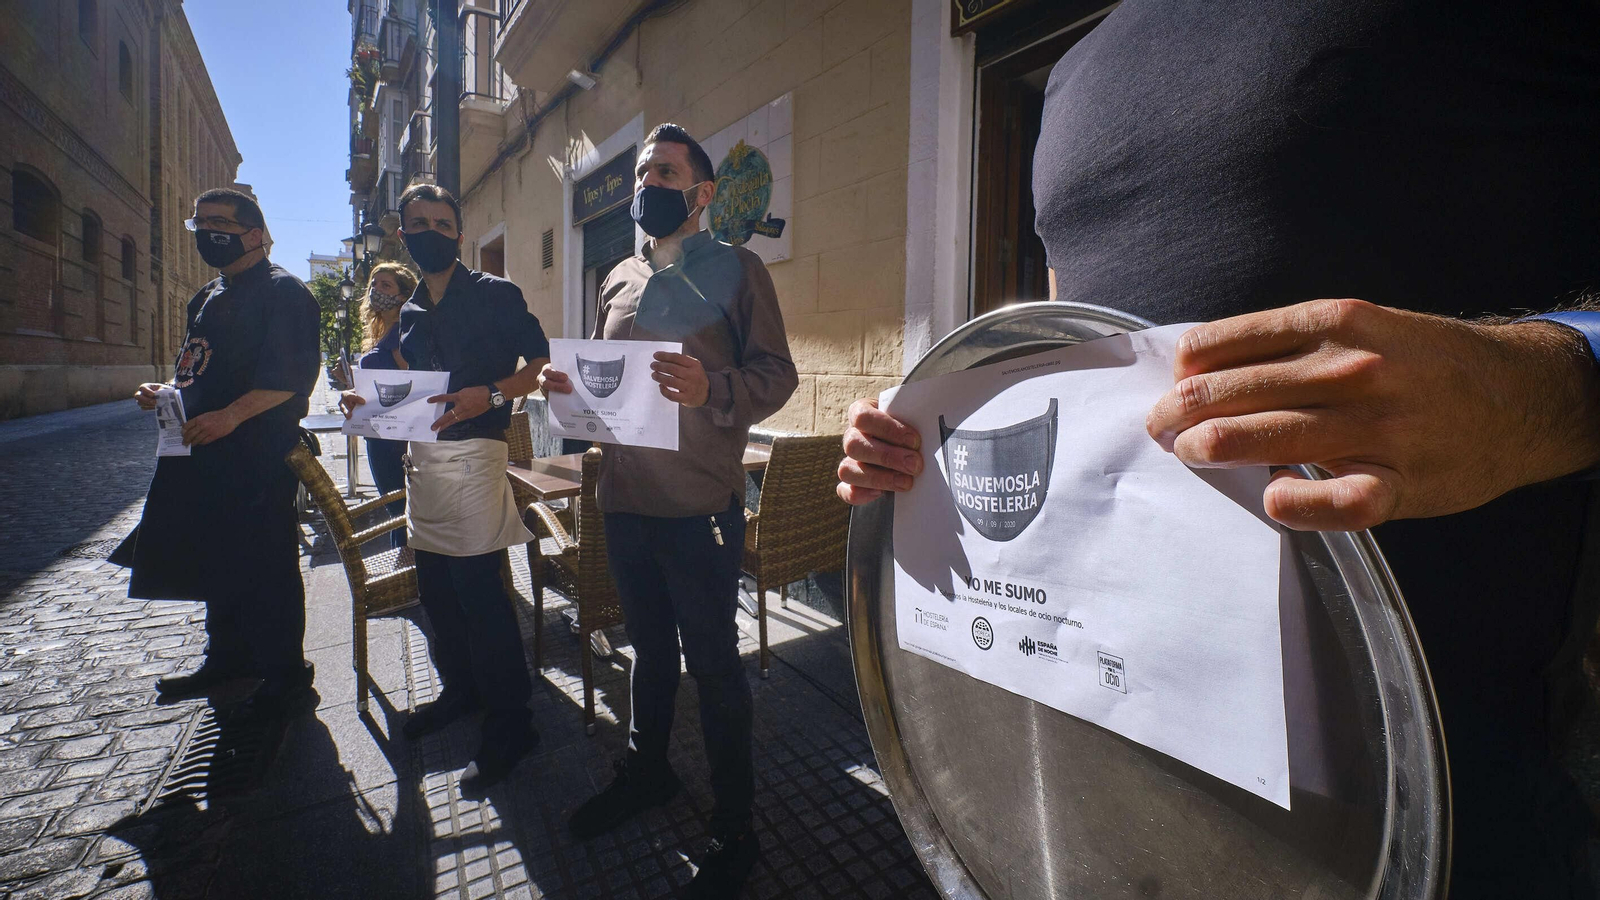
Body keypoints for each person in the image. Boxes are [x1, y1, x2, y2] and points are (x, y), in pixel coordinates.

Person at [838, 4, 1600, 896]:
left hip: (1452, 790)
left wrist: (1542, 389)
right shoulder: (1081, 67)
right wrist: (926, 442)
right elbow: (1082, 356)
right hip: (1121, 772)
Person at [539, 123, 797, 898]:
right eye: (641, 171)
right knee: (649, 653)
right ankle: (647, 771)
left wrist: (711, 389)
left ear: (703, 193)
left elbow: (777, 375)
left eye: (665, 171)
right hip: (624, 504)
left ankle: (736, 824)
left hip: (698, 510)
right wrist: (569, 394)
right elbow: (601, 378)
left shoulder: (739, 268)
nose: (646, 183)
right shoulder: (616, 275)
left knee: (715, 668)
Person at [340, 183, 550, 796]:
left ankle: (514, 722)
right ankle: (462, 691)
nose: (431, 230)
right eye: (418, 223)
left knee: (483, 594)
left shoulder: (495, 294)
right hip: (422, 466)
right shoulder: (408, 314)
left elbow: (539, 366)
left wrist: (490, 394)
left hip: (476, 459)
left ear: (459, 233)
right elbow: (414, 393)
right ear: (403, 236)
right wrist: (369, 404)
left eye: (442, 221)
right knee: (437, 590)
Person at [124, 188, 321, 715]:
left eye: (220, 222)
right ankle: (227, 658)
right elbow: (199, 368)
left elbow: (291, 377)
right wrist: (166, 392)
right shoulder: (206, 296)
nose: (208, 231)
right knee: (219, 560)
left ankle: (286, 673)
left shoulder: (286, 294)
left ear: (253, 234)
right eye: (200, 222)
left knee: (268, 564)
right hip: (202, 454)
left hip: (258, 456)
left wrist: (232, 415)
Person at [355, 261, 419, 551]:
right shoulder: (385, 332)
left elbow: (414, 384)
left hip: (393, 439)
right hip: (379, 432)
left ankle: (408, 578)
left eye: (386, 285)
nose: (376, 290)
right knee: (396, 510)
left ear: (403, 296)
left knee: (398, 511)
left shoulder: (402, 336)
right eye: (373, 284)